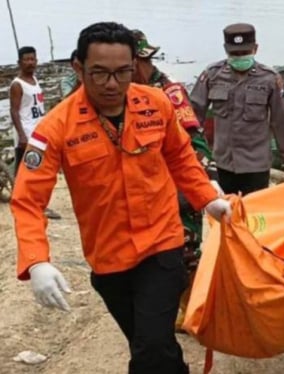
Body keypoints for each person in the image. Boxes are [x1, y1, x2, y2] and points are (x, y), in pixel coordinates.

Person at [10, 21, 232, 374]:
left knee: (151, 349)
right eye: (99, 74)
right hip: (109, 258)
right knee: (150, 346)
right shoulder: (56, 127)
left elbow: (180, 157)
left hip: (162, 246)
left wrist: (208, 198)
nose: (112, 85)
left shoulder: (156, 104)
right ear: (79, 68)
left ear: (134, 67)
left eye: (122, 73)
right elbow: (27, 200)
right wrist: (37, 261)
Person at [131, 28, 220, 332]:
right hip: (146, 192)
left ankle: (194, 310)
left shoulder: (170, 94)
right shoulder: (124, 97)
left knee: (185, 253)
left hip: (178, 187)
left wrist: (193, 188)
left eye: (131, 65)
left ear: (141, 60)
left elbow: (197, 145)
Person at [190, 23, 284, 196]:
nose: (239, 57)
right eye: (234, 54)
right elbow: (193, 112)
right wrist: (189, 147)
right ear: (225, 49)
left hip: (256, 165)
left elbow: (282, 121)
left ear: (255, 49)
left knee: (255, 216)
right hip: (223, 162)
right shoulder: (212, 75)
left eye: (244, 53)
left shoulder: (269, 79)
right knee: (226, 213)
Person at [9, 46, 61, 219]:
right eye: (27, 59)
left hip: (39, 131)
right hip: (27, 133)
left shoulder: (35, 81)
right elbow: (14, 111)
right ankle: (31, 205)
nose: (30, 62)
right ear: (19, 62)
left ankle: (33, 203)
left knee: (38, 170)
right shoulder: (18, 84)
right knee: (29, 170)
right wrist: (22, 135)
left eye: (33, 59)